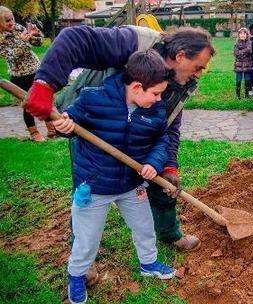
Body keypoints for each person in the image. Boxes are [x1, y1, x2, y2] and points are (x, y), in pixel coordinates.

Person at [25, 25, 215, 253]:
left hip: (141, 128)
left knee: (162, 183)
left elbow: (169, 128)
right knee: (87, 195)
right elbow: (74, 37)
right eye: (198, 67)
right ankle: (82, 257)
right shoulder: (134, 42)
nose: (199, 74)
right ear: (180, 55)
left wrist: (170, 165)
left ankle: (169, 234)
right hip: (94, 124)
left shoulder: (181, 83)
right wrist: (45, 85)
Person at [53, 49, 176, 304]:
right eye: (156, 93)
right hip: (95, 185)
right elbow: (69, 122)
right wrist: (64, 127)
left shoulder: (154, 110)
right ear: (137, 86)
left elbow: (161, 140)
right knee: (87, 238)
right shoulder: (92, 100)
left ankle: (148, 263)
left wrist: (153, 162)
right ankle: (76, 276)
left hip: (132, 184)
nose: (159, 99)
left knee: (144, 227)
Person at [0, 6, 55, 142]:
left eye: (12, 18)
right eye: (7, 20)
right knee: (29, 104)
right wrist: (23, 42)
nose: (12, 22)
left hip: (35, 70)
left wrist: (35, 35)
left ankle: (52, 129)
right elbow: (13, 56)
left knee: (42, 98)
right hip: (19, 76)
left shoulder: (18, 28)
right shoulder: (1, 39)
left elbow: (37, 43)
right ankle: (34, 132)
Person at [234, 27, 253, 99]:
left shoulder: (249, 42)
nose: (242, 35)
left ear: (247, 35)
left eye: (244, 33)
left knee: (247, 80)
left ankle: (247, 94)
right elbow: (236, 53)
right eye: (241, 33)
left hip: (247, 64)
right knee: (238, 80)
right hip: (239, 65)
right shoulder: (236, 43)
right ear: (238, 35)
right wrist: (244, 52)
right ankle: (237, 95)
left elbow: (249, 50)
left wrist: (241, 51)